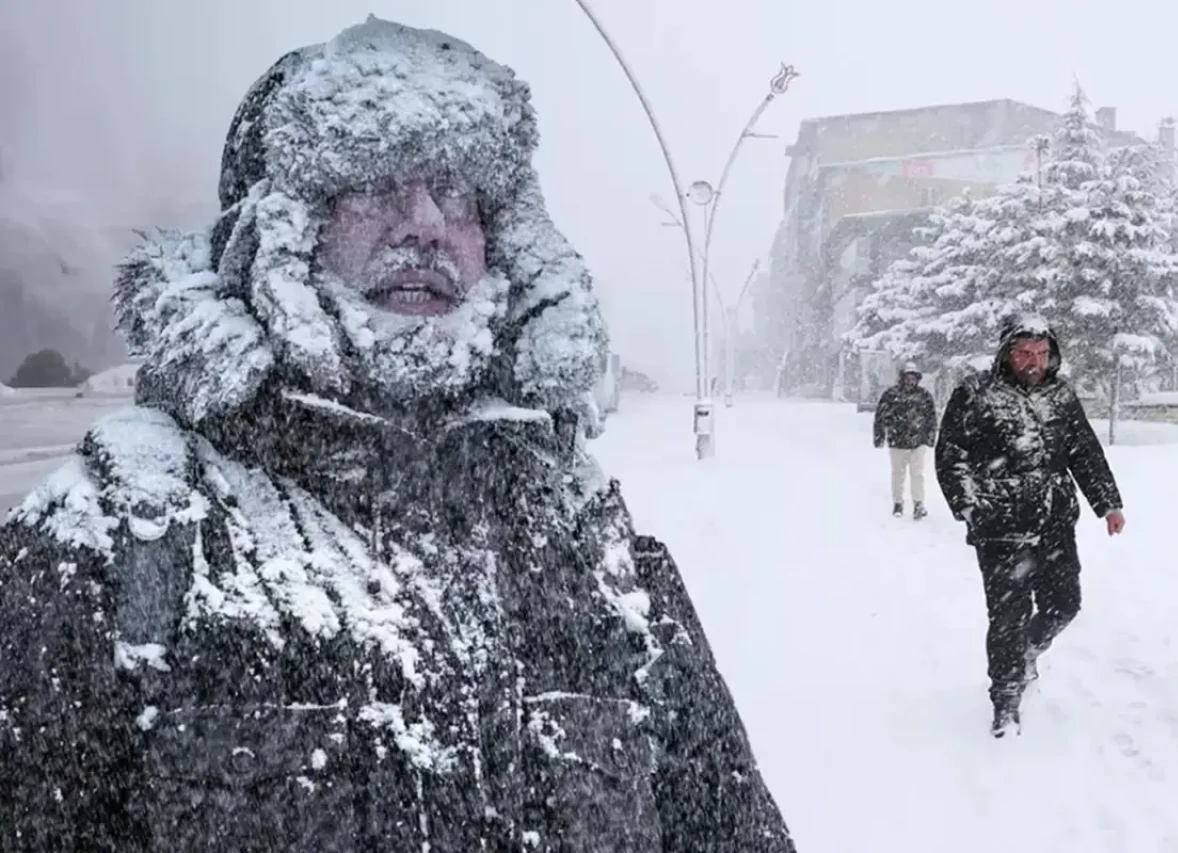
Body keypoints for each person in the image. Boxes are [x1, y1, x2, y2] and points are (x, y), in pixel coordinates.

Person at [0, 18, 795, 851]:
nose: (424, 222)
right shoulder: (117, 542)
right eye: (372, 181)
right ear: (281, 229)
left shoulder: (592, 543)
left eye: (458, 192)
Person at [935, 314, 1125, 739]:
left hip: (1055, 522)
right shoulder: (976, 393)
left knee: (1065, 604)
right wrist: (970, 507)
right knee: (1008, 616)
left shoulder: (1060, 395)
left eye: (1041, 353)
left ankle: (1027, 652)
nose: (1033, 361)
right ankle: (1005, 700)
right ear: (1006, 353)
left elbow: (1084, 451)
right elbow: (951, 455)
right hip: (1001, 527)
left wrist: (1108, 502)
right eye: (1024, 353)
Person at [872, 362, 937, 520]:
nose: (910, 380)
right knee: (898, 474)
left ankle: (918, 504)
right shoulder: (891, 394)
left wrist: (930, 437)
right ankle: (898, 503)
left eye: (913, 377)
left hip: (918, 441)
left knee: (917, 474)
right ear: (902, 378)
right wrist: (879, 436)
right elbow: (880, 416)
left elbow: (931, 418)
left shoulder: (924, 396)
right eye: (907, 377)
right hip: (897, 442)